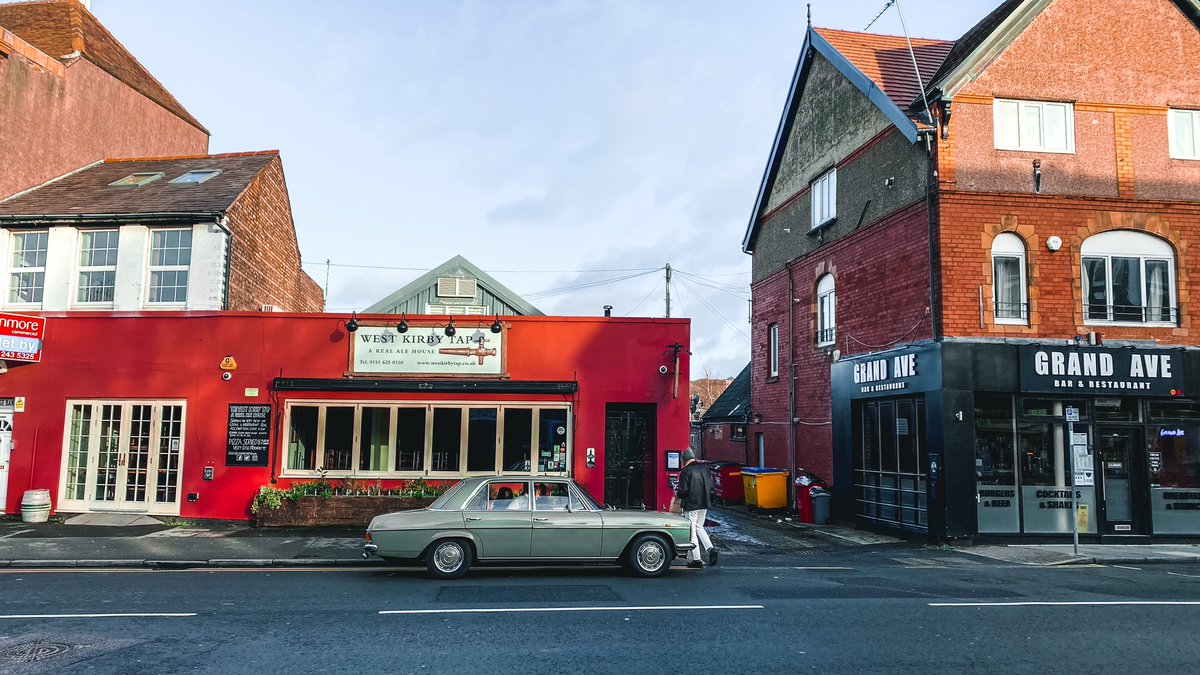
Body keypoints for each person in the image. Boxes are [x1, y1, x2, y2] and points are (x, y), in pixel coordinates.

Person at [675, 449, 716, 568]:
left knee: (692, 531)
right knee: (700, 527)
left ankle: (696, 559)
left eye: (682, 460)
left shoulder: (686, 471)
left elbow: (683, 491)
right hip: (704, 503)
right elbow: (711, 487)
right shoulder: (705, 469)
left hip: (691, 505)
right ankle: (711, 549)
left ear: (684, 460)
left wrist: (677, 492)